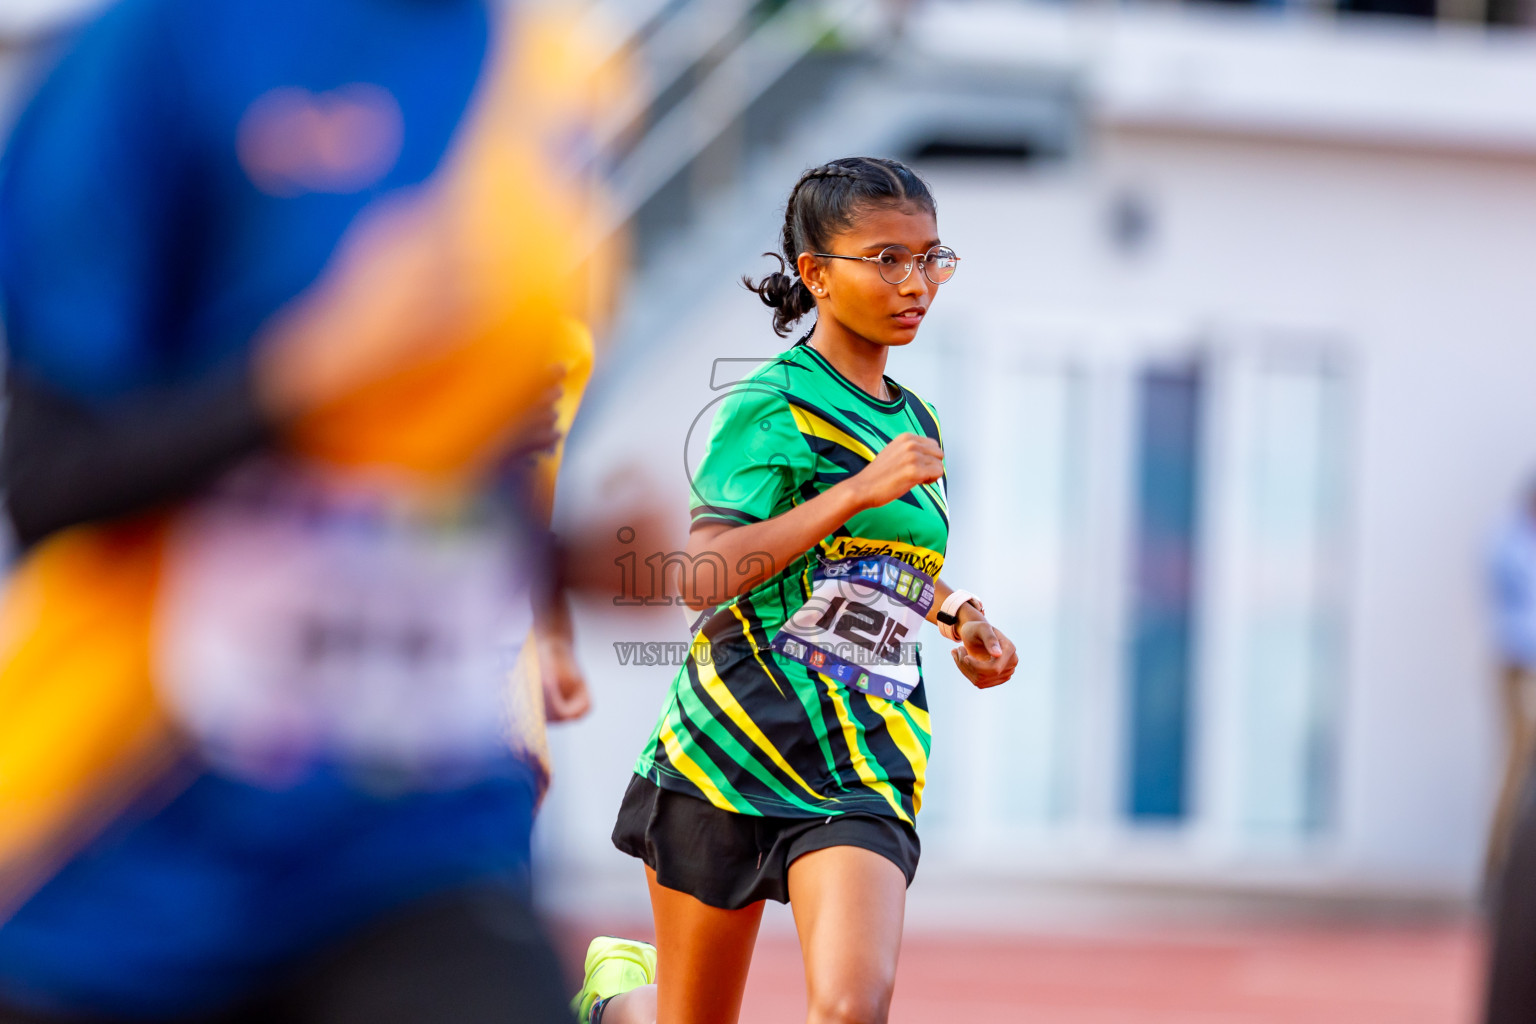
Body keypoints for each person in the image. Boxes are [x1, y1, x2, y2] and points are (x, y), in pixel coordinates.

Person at [0, 0, 617, 1020]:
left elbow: (432, 467)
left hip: (407, 831)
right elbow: (49, 480)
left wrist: (567, 567)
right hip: (126, 822)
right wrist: (307, 373)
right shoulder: (161, 47)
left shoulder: (549, 67)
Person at [570, 157, 1020, 1024]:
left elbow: (878, 562)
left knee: (852, 1008)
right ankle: (619, 1001)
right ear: (815, 273)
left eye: (931, 258)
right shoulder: (769, 404)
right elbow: (703, 576)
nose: (916, 282)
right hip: (733, 742)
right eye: (886, 259)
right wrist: (854, 489)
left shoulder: (911, 415)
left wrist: (959, 612)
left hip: (864, 755)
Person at [1484, 481, 1536, 887]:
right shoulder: (1507, 542)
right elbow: (1515, 615)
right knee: (1520, 760)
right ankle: (1499, 868)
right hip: (1519, 664)